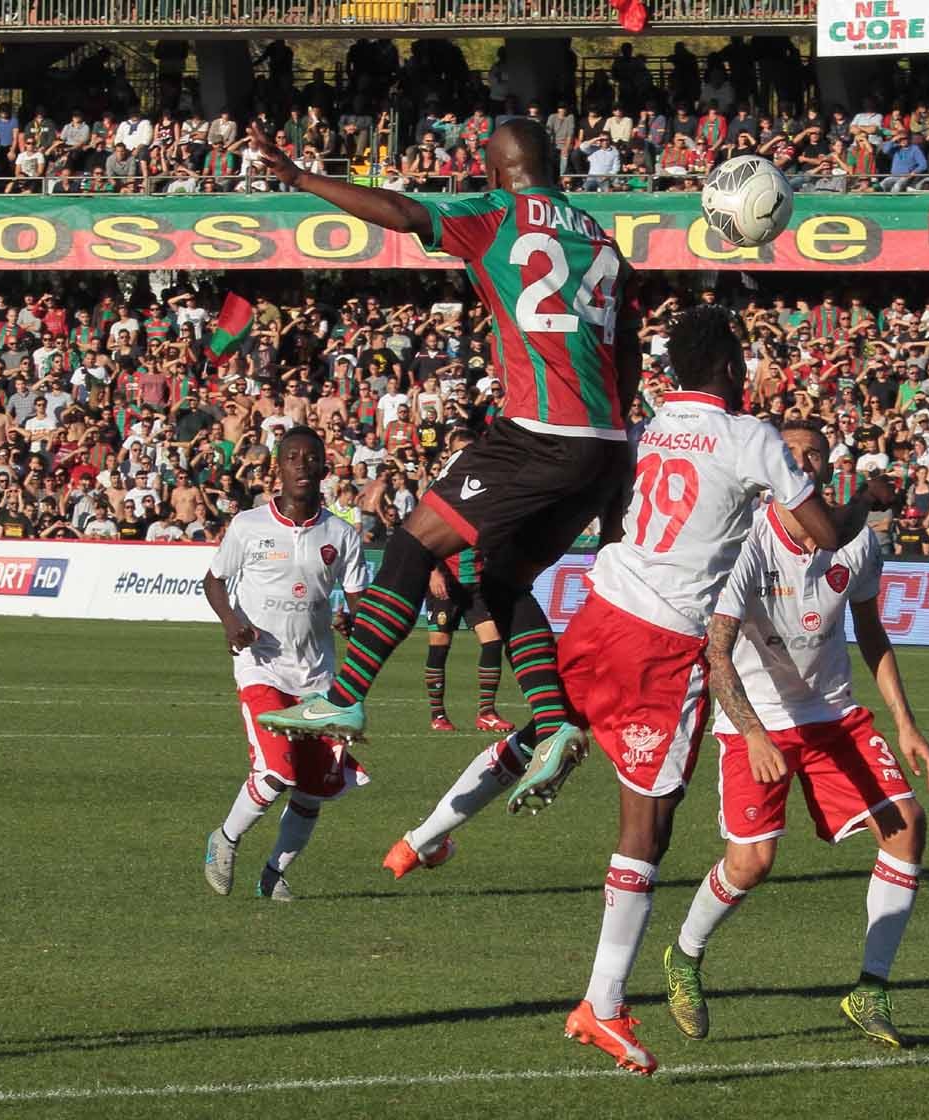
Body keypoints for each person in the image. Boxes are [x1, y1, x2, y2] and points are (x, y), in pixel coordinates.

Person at [505, 305, 845, 1076]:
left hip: (601, 603)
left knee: (558, 726)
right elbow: (822, 534)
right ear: (730, 368)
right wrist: (859, 509)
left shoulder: (654, 425)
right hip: (662, 637)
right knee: (649, 827)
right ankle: (603, 1005)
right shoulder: (748, 435)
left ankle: (429, 832)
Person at [247, 120, 638, 767]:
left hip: (538, 432)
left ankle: (344, 695)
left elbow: (402, 211)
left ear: (493, 169)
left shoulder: (497, 213)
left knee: (412, 540)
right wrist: (617, 471)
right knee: (502, 579)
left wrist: (296, 177)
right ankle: (554, 720)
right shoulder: (602, 237)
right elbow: (624, 357)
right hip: (602, 448)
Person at [661, 421, 929, 1049]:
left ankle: (870, 987)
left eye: (813, 455)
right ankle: (683, 956)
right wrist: (755, 734)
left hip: (834, 716)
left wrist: (904, 720)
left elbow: (871, 633)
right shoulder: (745, 546)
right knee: (752, 862)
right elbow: (718, 654)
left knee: (907, 825)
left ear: (822, 471)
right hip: (755, 721)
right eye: (791, 455)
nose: (803, 464)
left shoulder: (855, 543)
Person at [201, 428, 369, 902]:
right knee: (277, 771)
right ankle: (225, 841)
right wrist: (231, 622)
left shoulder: (340, 534)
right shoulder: (249, 525)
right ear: (278, 466)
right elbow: (214, 581)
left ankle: (274, 874)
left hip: (317, 679)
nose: (301, 465)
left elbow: (360, 599)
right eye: (292, 457)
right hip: (262, 667)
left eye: (310, 457)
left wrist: (356, 620)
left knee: (314, 790)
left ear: (323, 467)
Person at [417, 430, 515, 735]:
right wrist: (432, 571)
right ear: (449, 454)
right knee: (440, 644)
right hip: (446, 580)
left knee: (492, 640)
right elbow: (421, 536)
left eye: (469, 452)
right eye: (459, 452)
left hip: (476, 581)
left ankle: (486, 712)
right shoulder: (440, 491)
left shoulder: (490, 488)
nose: (465, 458)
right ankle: (437, 714)